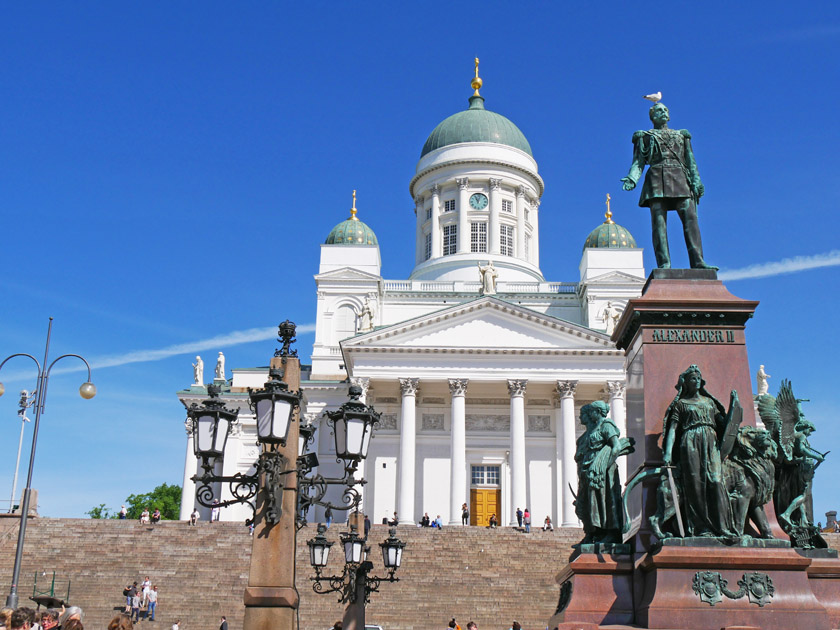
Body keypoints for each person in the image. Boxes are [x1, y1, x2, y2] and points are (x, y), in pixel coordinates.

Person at [621, 101, 716, 270]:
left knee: (691, 220)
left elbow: (690, 161)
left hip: (680, 177)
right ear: (652, 116)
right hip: (656, 178)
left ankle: (698, 261)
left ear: (669, 115)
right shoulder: (644, 137)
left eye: (665, 110)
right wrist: (632, 179)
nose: (663, 112)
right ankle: (664, 264)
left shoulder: (682, 136)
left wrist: (696, 181)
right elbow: (638, 162)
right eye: (658, 110)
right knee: (659, 224)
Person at [662, 365, 737, 538]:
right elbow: (673, 429)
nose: (696, 381)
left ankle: (722, 526)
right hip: (690, 442)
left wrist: (733, 408)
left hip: (711, 442)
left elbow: (724, 425)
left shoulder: (709, 402)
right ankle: (701, 527)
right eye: (692, 379)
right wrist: (667, 452)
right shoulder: (681, 404)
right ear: (686, 383)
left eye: (698, 378)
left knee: (716, 481)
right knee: (695, 485)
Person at [575, 400, 635, 543]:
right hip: (589, 472)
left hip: (604, 472)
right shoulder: (588, 432)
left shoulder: (606, 426)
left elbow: (616, 447)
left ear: (598, 412)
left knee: (605, 501)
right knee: (588, 503)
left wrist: (603, 465)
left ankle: (611, 532)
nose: (587, 415)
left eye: (590, 412)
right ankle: (593, 533)